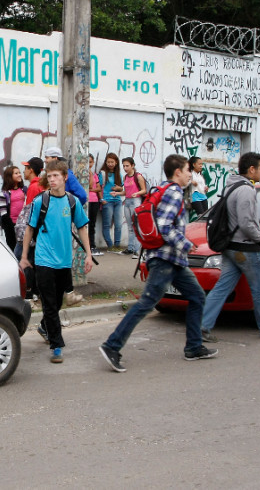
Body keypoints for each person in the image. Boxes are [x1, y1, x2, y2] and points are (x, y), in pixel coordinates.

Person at [98, 154, 216, 372]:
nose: (191, 174)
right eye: (188, 170)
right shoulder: (173, 192)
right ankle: (111, 346)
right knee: (146, 303)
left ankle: (194, 346)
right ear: (178, 172)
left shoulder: (162, 188)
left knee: (197, 297)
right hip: (165, 258)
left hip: (173, 260)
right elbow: (164, 226)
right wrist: (186, 244)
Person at [201, 152, 260, 341]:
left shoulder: (231, 186)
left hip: (230, 246)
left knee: (222, 288)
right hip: (246, 248)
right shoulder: (247, 190)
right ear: (251, 170)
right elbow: (246, 222)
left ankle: (201, 326)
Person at [19, 160, 92, 364]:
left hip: (64, 261)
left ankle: (44, 326)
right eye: (49, 176)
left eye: (55, 176)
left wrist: (87, 254)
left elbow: (82, 227)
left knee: (58, 301)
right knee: (50, 303)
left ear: (64, 177)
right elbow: (30, 229)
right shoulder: (40, 201)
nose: (51, 179)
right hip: (43, 259)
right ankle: (57, 345)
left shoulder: (72, 202)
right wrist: (25, 257)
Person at [99, 152, 125, 252]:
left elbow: (122, 188)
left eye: (112, 162)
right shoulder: (102, 173)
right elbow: (99, 187)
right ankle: (110, 246)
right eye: (108, 162)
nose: (110, 164)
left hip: (117, 201)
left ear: (116, 163)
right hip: (107, 201)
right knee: (107, 224)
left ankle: (117, 245)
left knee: (118, 224)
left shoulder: (118, 174)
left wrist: (118, 188)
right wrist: (102, 200)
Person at [122, 157, 147, 258]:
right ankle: (130, 248)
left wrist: (137, 193)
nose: (125, 168)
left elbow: (144, 190)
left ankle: (137, 250)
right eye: (123, 166)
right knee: (130, 226)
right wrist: (117, 193)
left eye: (127, 166)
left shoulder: (138, 176)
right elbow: (125, 191)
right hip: (127, 201)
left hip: (136, 200)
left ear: (132, 165)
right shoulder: (125, 177)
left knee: (136, 225)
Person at [0, 165, 27, 249]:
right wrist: (10, 225)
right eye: (16, 173)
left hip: (23, 224)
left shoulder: (24, 190)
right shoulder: (4, 193)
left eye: (19, 173)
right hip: (11, 226)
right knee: (13, 247)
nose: (19, 175)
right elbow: (3, 212)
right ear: (9, 176)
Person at [87, 155, 104, 257]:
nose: (89, 164)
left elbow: (98, 188)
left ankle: (92, 245)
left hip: (95, 201)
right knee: (86, 224)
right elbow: (88, 186)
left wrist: (91, 190)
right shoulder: (85, 174)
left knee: (92, 224)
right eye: (87, 162)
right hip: (87, 201)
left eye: (90, 162)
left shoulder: (95, 175)